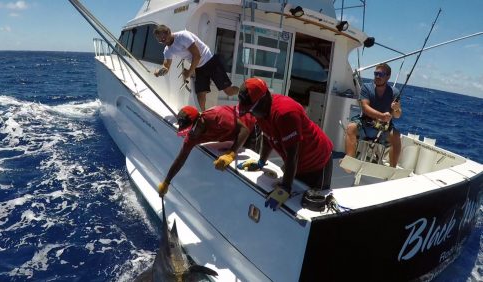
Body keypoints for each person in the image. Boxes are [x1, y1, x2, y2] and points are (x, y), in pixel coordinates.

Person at [237, 78, 334, 211]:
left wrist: (285, 187)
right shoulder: (261, 112)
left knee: (313, 206)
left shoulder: (285, 113)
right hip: (298, 164)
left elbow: (292, 154)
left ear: (264, 99)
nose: (251, 113)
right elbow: (267, 138)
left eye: (251, 109)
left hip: (317, 162)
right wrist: (261, 162)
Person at [157, 105, 256, 197]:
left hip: (250, 125)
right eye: (187, 131)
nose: (190, 134)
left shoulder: (218, 116)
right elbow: (180, 159)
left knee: (251, 157)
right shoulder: (192, 137)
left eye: (192, 130)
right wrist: (166, 182)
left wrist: (231, 153)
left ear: (200, 120)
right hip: (232, 134)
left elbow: (245, 130)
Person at [153, 24, 239, 111]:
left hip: (210, 61)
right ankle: (204, 116)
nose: (164, 42)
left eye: (163, 39)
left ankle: (243, 90)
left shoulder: (183, 36)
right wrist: (161, 71)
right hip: (198, 67)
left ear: (168, 32)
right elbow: (166, 65)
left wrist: (189, 72)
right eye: (161, 41)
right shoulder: (168, 50)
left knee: (229, 92)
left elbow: (197, 56)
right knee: (200, 95)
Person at [344, 63, 402, 168]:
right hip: (366, 124)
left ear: (388, 76)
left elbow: (397, 115)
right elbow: (365, 108)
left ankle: (392, 169)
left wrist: (396, 108)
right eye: (376, 74)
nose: (377, 76)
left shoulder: (395, 92)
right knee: (351, 127)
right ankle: (349, 162)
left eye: (381, 74)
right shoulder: (366, 87)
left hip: (384, 129)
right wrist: (381, 116)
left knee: (396, 136)